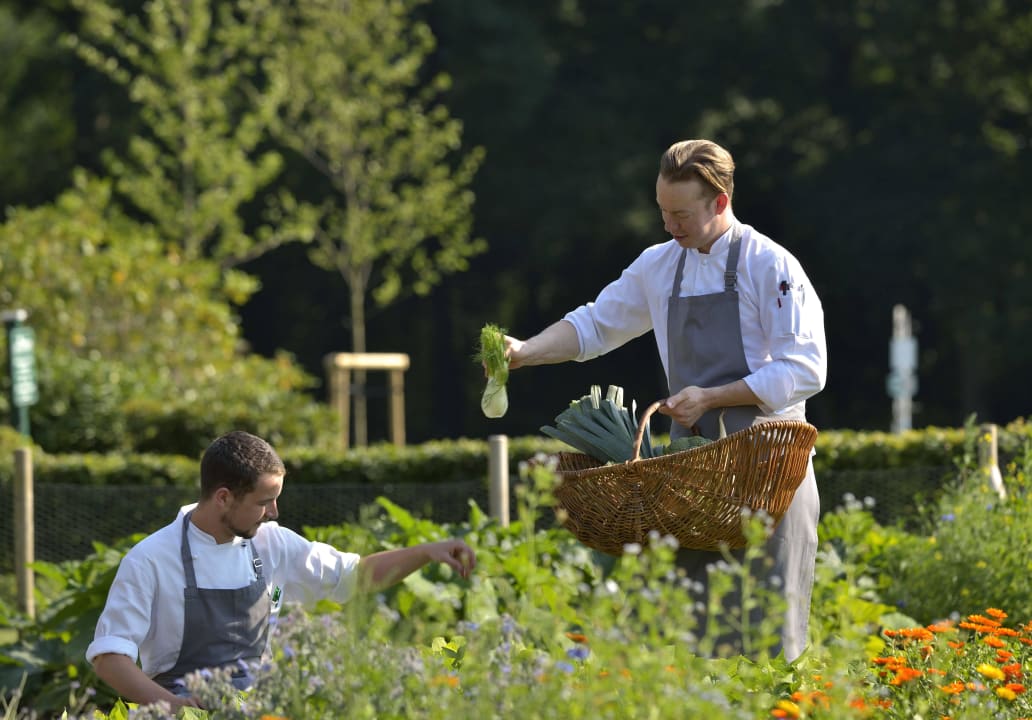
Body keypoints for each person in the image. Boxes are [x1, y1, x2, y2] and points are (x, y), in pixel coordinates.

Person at [504, 139, 826, 662]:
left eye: (681, 214)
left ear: (720, 202)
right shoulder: (659, 265)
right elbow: (594, 324)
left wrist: (713, 396)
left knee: (770, 651)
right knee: (691, 649)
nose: (669, 225)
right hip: (693, 483)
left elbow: (805, 369)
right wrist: (524, 352)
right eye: (662, 212)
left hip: (770, 477)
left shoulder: (771, 265)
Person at [86, 430, 476, 710]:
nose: (274, 512)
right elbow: (110, 657)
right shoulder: (151, 559)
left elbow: (357, 576)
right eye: (264, 501)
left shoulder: (272, 543)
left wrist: (426, 551)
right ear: (223, 497)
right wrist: (174, 707)